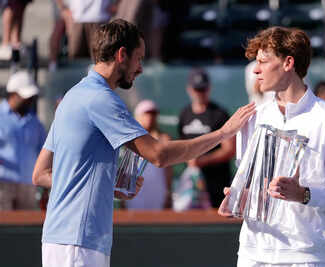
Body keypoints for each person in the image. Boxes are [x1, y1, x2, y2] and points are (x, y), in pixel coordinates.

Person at [32, 19, 255, 267]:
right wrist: (224, 132)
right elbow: (159, 155)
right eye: (139, 59)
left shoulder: (73, 97)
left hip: (61, 237)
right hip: (78, 241)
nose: (140, 68)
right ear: (121, 54)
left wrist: (103, 183)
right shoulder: (101, 99)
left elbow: (41, 174)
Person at [219, 26, 325, 267]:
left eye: (264, 61)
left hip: (305, 256)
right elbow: (250, 183)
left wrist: (304, 194)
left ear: (288, 63)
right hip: (251, 253)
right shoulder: (252, 117)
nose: (256, 70)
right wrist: (240, 197)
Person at [178, 68, 236, 208]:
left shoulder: (219, 114)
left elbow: (229, 150)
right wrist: (189, 159)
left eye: (203, 89)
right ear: (189, 89)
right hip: (193, 182)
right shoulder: (184, 114)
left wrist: (203, 160)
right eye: (197, 89)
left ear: (209, 88)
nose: (200, 93)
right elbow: (181, 145)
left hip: (216, 183)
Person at [0, 71, 46, 210]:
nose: (29, 100)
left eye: (31, 97)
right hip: (3, 184)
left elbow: (43, 152)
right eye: (26, 96)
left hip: (28, 185)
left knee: (26, 228)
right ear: (13, 94)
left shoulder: (35, 123)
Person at [125, 99, 173, 209]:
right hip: (134, 197)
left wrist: (168, 193)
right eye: (147, 114)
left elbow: (168, 170)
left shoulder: (164, 139)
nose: (150, 117)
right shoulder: (129, 139)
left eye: (153, 114)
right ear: (138, 116)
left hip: (157, 195)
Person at [55, 0, 120, 59]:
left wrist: (116, 5)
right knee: (75, 55)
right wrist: (64, 9)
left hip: (100, 19)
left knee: (100, 55)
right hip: (77, 19)